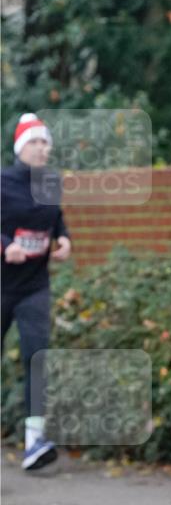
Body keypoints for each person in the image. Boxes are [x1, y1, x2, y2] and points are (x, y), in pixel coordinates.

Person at [1, 113, 72, 470]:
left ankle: (34, 441)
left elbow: (55, 215)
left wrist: (63, 238)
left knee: (37, 357)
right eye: (35, 142)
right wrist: (4, 246)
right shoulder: (1, 181)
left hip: (33, 285)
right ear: (20, 147)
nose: (42, 148)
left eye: (46, 142)